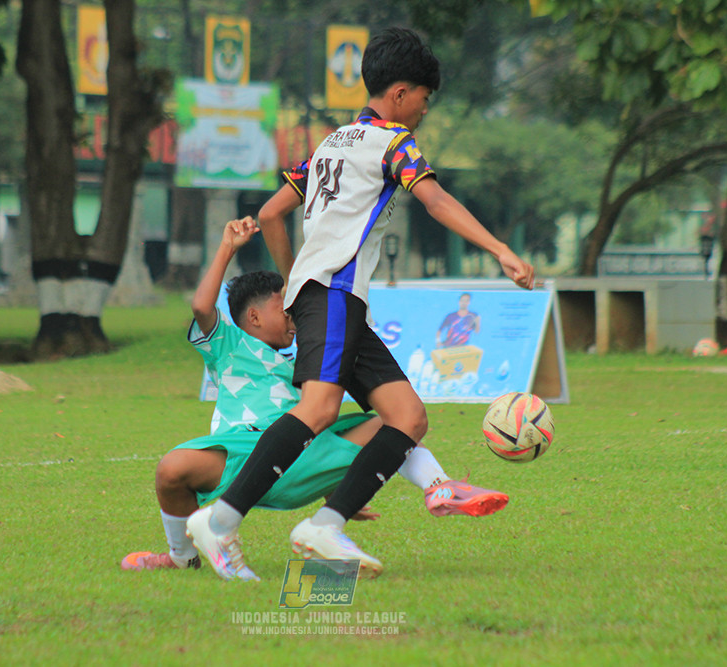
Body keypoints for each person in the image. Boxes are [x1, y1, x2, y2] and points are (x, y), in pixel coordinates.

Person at [186, 28, 534, 581]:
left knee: (408, 417)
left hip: (327, 298)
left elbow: (272, 213)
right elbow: (436, 199)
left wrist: (293, 282)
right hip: (333, 296)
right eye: (423, 96)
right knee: (319, 410)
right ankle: (222, 519)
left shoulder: (330, 144)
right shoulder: (394, 142)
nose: (424, 108)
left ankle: (326, 526)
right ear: (399, 93)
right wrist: (501, 250)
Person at [124, 217, 508, 575]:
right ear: (254, 317)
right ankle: (181, 558)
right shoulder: (227, 343)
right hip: (241, 453)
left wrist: (338, 489)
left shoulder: (306, 358)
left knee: (396, 423)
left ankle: (439, 485)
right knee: (170, 469)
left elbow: (313, 425)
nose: (293, 317)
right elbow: (200, 306)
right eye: (283, 307)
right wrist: (227, 247)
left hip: (301, 456)